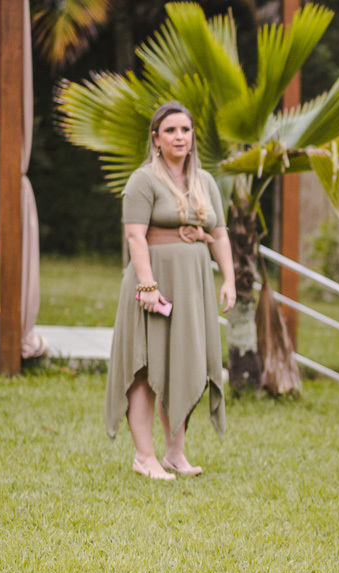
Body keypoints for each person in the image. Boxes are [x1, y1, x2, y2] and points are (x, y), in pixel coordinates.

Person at [105, 101, 236, 479]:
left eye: (185, 130)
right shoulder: (143, 180)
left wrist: (227, 278)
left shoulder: (205, 182)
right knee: (146, 367)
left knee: (185, 361)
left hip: (194, 284)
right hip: (154, 282)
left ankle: (174, 455)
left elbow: (219, 234)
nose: (180, 137)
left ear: (193, 137)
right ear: (156, 139)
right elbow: (134, 236)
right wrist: (147, 285)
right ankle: (143, 457)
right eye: (171, 131)